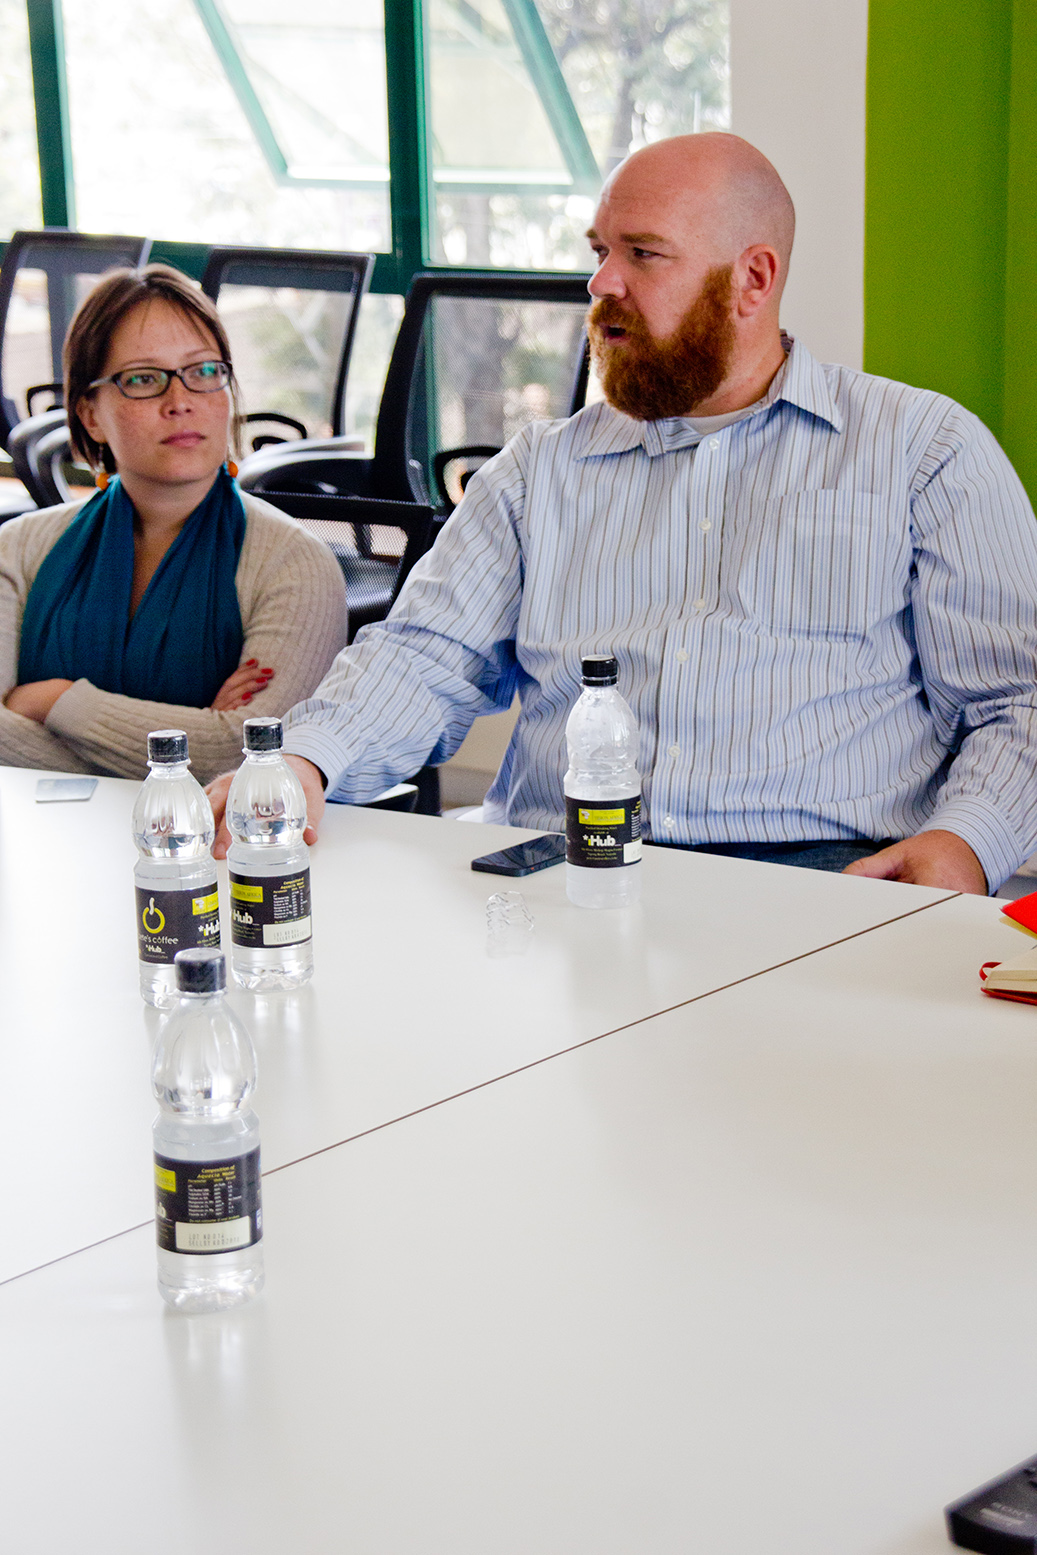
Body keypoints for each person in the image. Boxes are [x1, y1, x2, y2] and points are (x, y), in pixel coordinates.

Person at [209, 134, 1037, 895]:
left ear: (753, 278)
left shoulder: (922, 451)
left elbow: (1017, 699)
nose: (602, 283)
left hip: (823, 881)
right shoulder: (540, 469)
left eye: (643, 254)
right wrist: (309, 760)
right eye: (601, 251)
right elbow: (427, 657)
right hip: (563, 875)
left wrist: (963, 843)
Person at [0, 264, 347, 784]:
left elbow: (251, 760)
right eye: (143, 379)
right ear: (90, 414)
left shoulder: (294, 564)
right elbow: (217, 753)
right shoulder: (18, 548)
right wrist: (193, 736)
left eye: (204, 372)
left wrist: (54, 701)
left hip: (211, 855)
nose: (180, 401)